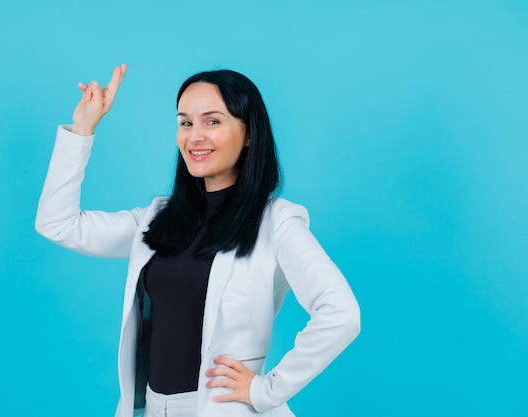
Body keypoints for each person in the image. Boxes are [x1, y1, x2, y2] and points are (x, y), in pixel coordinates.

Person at [35, 64, 360, 417]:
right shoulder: (159, 217)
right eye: (186, 122)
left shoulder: (275, 221)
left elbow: (341, 313)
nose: (195, 136)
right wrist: (82, 130)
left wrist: (266, 390)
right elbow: (58, 224)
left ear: (249, 133)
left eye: (213, 122)